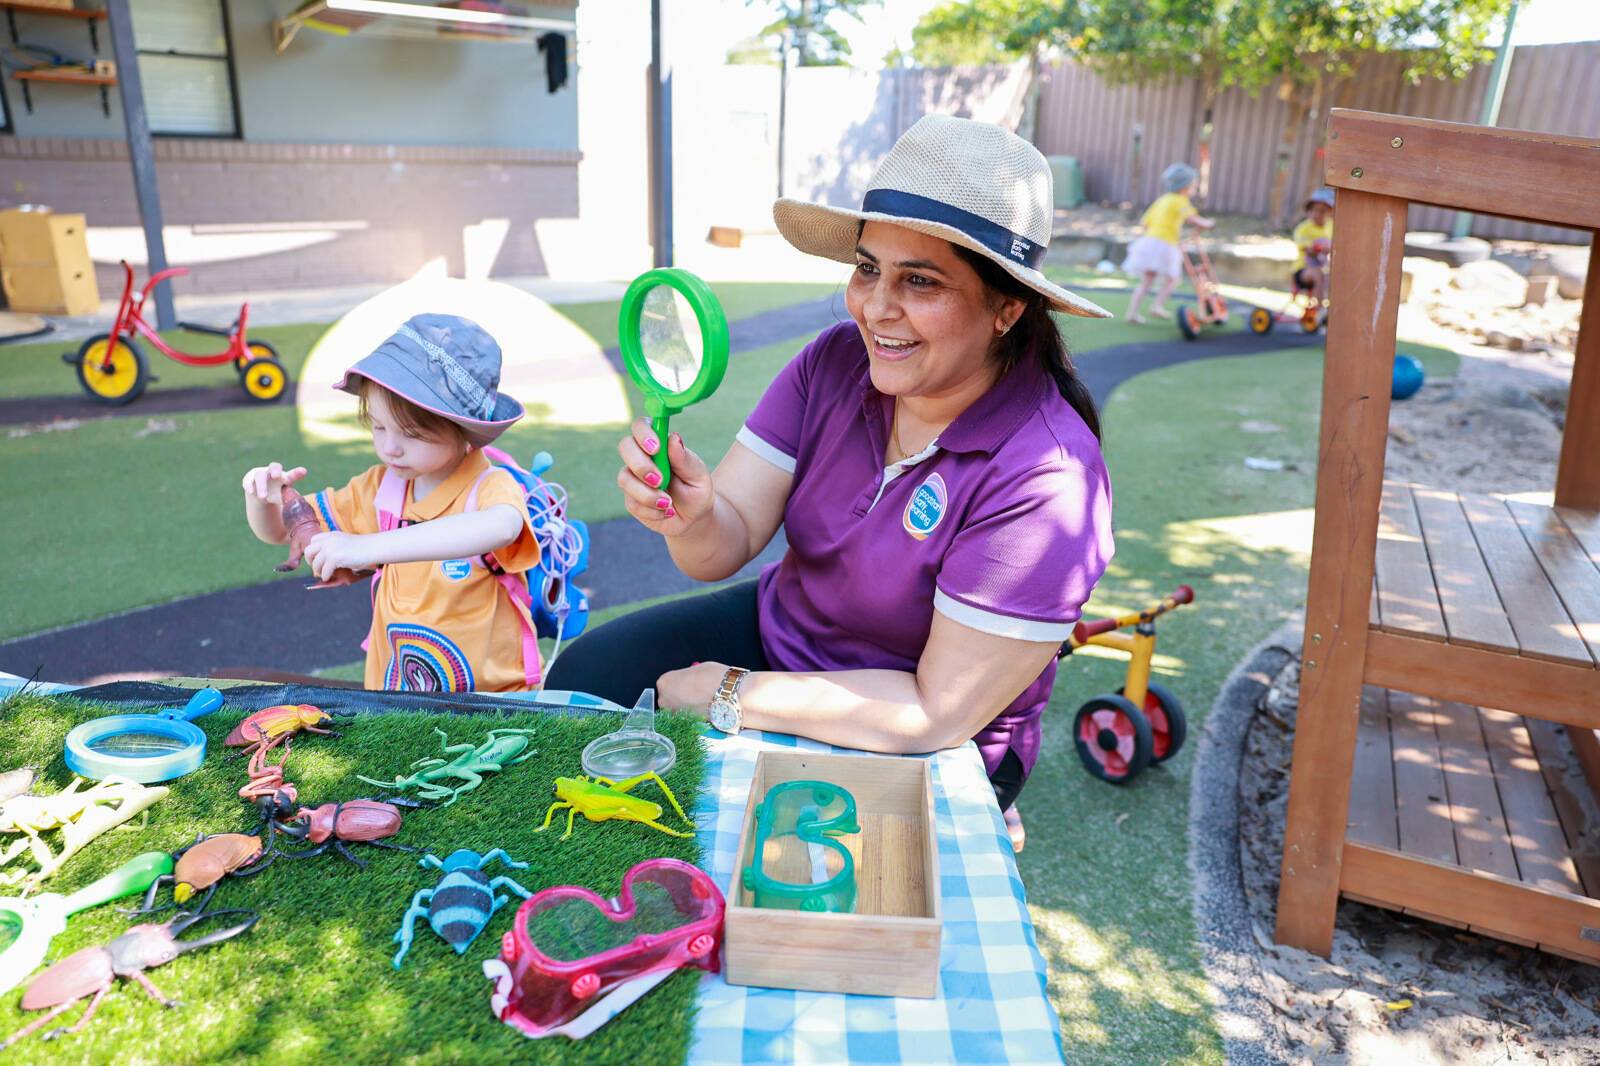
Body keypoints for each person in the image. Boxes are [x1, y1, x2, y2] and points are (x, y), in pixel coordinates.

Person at [546, 115, 1116, 849]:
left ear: (1007, 308)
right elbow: (723, 546)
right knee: (586, 675)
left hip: (928, 723)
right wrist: (688, 515)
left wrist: (727, 694)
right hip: (786, 634)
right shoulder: (834, 362)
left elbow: (932, 712)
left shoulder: (1049, 479)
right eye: (869, 267)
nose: (876, 307)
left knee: (774, 859)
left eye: (921, 280)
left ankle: (988, 812)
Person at [241, 314, 541, 693]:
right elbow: (283, 533)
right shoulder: (381, 487)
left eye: (412, 434)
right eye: (378, 427)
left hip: (495, 699)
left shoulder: (489, 487)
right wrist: (264, 501)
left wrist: (367, 546)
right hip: (397, 695)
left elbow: (500, 527)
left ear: (463, 430)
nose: (390, 447)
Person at [1121, 162, 1215, 324]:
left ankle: (1132, 313)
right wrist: (1207, 223)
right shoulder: (1180, 201)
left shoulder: (1162, 200)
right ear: (1184, 187)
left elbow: (1145, 223)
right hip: (1165, 244)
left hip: (1149, 242)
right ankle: (1157, 305)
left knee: (1147, 280)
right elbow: (1192, 218)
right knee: (1172, 279)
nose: (1194, 190)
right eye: (1193, 186)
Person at [1292, 187, 1335, 306]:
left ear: (1330, 212)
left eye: (1322, 211)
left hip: (1325, 268)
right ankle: (1319, 308)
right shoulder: (1303, 229)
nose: (1317, 214)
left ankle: (1332, 307)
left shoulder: (1332, 227)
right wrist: (1317, 249)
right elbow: (1307, 249)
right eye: (1313, 210)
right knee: (1318, 274)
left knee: (1334, 276)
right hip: (1303, 271)